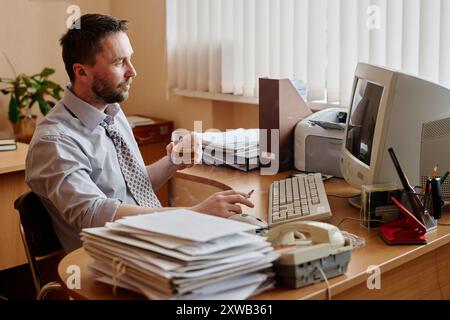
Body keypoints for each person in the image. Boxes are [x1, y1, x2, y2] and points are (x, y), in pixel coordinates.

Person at [25, 14, 254, 253]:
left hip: (153, 242)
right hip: (114, 261)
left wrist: (172, 162)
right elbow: (93, 213)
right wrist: (193, 214)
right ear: (82, 72)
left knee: (253, 239)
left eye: (130, 60)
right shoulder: (54, 140)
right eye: (118, 63)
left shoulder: (112, 111)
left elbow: (132, 187)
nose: (132, 71)